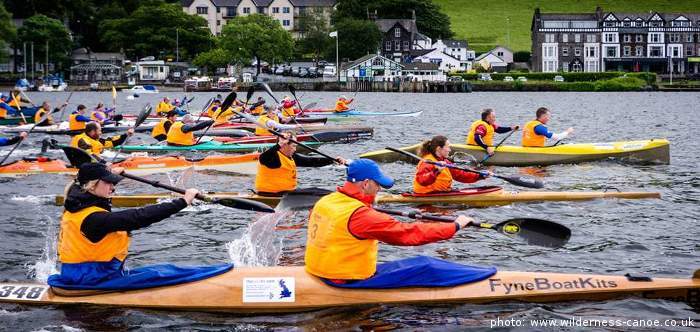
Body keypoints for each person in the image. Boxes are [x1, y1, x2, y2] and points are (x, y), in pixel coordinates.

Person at [47, 163, 231, 290]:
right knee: (166, 273)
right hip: (91, 278)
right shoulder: (94, 219)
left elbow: (99, 199)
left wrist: (109, 173)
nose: (113, 187)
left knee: (167, 269)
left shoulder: (77, 202)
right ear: (92, 185)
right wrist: (183, 202)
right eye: (108, 182)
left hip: (84, 274)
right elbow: (138, 217)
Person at [305, 159, 475, 282]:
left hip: (317, 269)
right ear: (365, 184)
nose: (379, 189)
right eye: (377, 184)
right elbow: (408, 234)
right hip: (344, 280)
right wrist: (454, 226)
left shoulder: (326, 200)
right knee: (427, 265)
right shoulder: (361, 215)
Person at [254, 132, 345, 195]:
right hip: (271, 194)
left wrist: (332, 160)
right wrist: (279, 144)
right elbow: (263, 157)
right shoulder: (273, 157)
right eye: (293, 146)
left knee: (316, 190)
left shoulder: (292, 156)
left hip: (286, 193)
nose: (295, 149)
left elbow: (311, 162)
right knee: (316, 192)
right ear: (284, 145)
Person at [414, 135, 490, 194]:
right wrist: (436, 171)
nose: (450, 150)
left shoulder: (445, 161)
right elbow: (422, 180)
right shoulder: (427, 162)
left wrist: (480, 175)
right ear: (439, 148)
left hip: (441, 193)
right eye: (448, 147)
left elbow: (460, 175)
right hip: (427, 195)